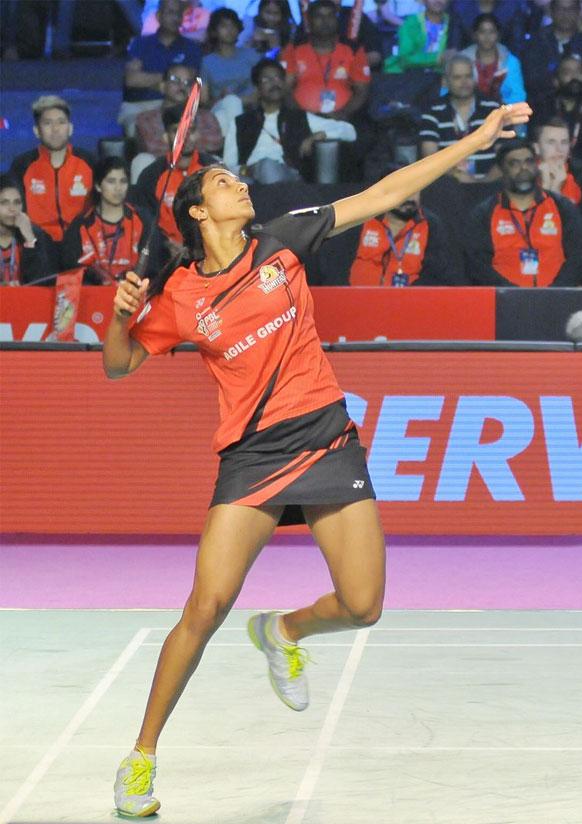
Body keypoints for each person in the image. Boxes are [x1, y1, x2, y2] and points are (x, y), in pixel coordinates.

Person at [105, 100, 531, 819]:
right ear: (198, 214)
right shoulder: (180, 295)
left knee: (364, 606)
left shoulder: (284, 239)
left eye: (236, 177)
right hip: (252, 457)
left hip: (326, 436)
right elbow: (118, 366)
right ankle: (141, 756)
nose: (239, 184)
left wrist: (477, 140)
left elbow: (386, 192)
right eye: (221, 182)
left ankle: (285, 629)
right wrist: (120, 314)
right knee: (205, 607)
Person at [465, 138, 582, 286]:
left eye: (529, 161)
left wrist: (556, 292)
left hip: (558, 299)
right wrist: (512, 295)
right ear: (501, 170)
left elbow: (579, 256)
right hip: (505, 301)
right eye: (514, 163)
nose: (523, 167)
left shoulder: (562, 207)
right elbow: (478, 265)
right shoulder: (484, 214)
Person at [223, 58, 357, 182]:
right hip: (247, 180)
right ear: (257, 88)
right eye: (266, 80)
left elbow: (350, 131)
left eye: (278, 78)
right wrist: (247, 170)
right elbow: (228, 165)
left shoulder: (298, 117)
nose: (274, 83)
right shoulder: (240, 122)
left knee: (268, 167)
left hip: (288, 178)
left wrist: (320, 135)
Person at [10, 96, 95, 249]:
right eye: (47, 123)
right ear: (37, 131)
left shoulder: (89, 162)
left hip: (82, 245)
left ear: (70, 128)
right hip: (37, 246)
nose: (55, 129)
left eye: (61, 122)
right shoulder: (22, 165)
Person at [132, 104, 219, 252]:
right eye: (177, 131)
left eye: (190, 131)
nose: (186, 137)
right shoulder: (150, 176)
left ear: (197, 134)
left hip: (210, 250)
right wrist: (167, 245)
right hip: (165, 255)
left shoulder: (214, 170)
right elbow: (144, 222)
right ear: (166, 137)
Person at [61, 159, 152, 285]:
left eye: (123, 181)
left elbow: (153, 268)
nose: (118, 188)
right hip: (92, 296)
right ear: (98, 186)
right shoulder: (80, 226)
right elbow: (71, 271)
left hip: (133, 295)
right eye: (111, 181)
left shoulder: (143, 220)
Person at [348, 187, 464, 285]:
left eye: (414, 191)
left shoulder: (431, 224)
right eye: (403, 192)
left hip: (410, 303)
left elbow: (438, 274)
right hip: (359, 302)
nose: (410, 198)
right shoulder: (362, 220)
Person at [119, 0, 202, 137]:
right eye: (170, 13)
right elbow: (132, 80)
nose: (175, 18)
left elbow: (189, 83)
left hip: (178, 106)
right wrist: (171, 79)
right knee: (138, 129)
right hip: (140, 105)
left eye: (178, 14)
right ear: (158, 16)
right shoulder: (140, 43)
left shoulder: (191, 48)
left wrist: (149, 79)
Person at [281, 0, 371, 122]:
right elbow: (285, 90)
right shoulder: (293, 48)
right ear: (309, 21)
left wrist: (342, 114)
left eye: (330, 16)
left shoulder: (353, 49)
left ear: (337, 20)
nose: (325, 21)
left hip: (344, 119)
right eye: (319, 16)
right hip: (301, 120)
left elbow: (362, 91)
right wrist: (302, 117)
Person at [132, 63, 223, 182]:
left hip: (198, 171)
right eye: (175, 80)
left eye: (187, 82)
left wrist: (176, 144)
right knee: (142, 160)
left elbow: (215, 143)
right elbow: (152, 147)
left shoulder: (206, 116)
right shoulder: (146, 118)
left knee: (216, 162)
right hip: (161, 172)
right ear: (162, 86)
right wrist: (190, 143)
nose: (182, 86)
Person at [419, 54, 499, 181]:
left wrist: (481, 184)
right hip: (448, 189)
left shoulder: (494, 109)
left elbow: (506, 155)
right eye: (457, 77)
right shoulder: (433, 112)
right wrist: (458, 177)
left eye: (468, 76)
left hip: (492, 188)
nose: (464, 82)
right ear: (445, 81)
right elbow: (429, 159)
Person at [521, 0, 582, 109]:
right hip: (542, 106)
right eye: (560, 9)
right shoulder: (535, 44)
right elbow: (532, 80)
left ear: (578, 12)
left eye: (571, 9)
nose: (565, 14)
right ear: (551, 12)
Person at [533, 115, 582, 234]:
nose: (559, 149)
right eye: (551, 142)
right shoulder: (525, 176)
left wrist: (556, 192)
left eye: (564, 142)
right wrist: (548, 187)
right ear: (537, 148)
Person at [295, 0, 385, 69]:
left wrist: (344, 66)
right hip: (312, 78)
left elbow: (375, 55)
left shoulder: (357, 17)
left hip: (353, 77)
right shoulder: (309, 20)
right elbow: (295, 58)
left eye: (330, 16)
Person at [0, 174, 55, 286]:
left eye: (17, 202)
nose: (12, 209)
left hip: (25, 300)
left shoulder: (35, 234)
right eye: (4, 203)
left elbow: (43, 282)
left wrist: (30, 239)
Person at [459, 13, 526, 104]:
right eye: (482, 32)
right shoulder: (461, 60)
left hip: (503, 113)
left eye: (492, 32)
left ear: (498, 35)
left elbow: (519, 96)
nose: (487, 37)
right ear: (475, 35)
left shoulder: (511, 62)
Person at [383, 0, 462, 74]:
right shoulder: (411, 23)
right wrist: (437, 58)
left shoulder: (454, 23)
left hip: (441, 78)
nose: (438, 0)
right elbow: (405, 59)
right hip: (408, 77)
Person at [451, 0, 527, 54]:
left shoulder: (513, 7)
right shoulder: (460, 6)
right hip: (467, 63)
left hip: (503, 62)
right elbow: (455, 45)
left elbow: (517, 46)